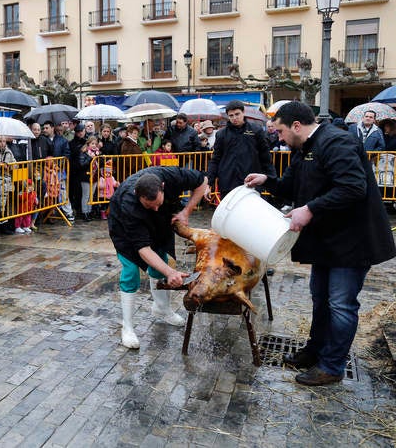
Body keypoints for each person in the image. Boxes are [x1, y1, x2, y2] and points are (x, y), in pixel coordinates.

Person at [245, 101, 395, 386]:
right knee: (320, 299)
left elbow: (352, 187)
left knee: (340, 304)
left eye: (279, 132)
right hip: (327, 242)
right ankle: (315, 351)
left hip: (352, 241)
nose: (278, 137)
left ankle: (332, 366)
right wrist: (267, 180)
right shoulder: (303, 150)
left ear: (296, 126)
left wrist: (310, 209)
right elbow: (289, 186)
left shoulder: (336, 143)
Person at [108, 167, 209, 349]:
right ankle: (128, 327)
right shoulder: (128, 204)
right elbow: (142, 249)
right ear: (138, 196)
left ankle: (162, 309)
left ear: (163, 186)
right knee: (131, 272)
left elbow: (203, 182)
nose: (155, 208)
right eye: (149, 205)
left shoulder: (172, 176)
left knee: (159, 262)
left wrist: (186, 211)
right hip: (123, 230)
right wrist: (171, 272)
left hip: (159, 223)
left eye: (158, 203)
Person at [207, 100, 275, 197]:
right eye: (231, 115)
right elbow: (215, 159)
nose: (235, 118)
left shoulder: (256, 130)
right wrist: (209, 182)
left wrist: (271, 179)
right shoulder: (221, 134)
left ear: (243, 112)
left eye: (237, 114)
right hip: (228, 182)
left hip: (251, 181)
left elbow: (265, 156)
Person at [42, 121, 75, 221]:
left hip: (59, 170)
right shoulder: (43, 140)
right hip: (47, 171)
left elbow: (67, 154)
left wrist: (59, 165)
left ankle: (68, 212)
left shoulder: (62, 140)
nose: (44, 130)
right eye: (44, 128)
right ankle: (50, 213)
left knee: (62, 191)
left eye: (46, 128)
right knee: (48, 192)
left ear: (52, 128)